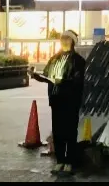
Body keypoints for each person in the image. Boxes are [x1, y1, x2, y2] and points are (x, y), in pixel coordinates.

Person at [31, 30, 86, 176]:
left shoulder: (78, 60)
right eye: (63, 39)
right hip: (56, 100)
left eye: (67, 39)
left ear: (73, 42)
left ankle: (69, 162)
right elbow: (47, 76)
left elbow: (78, 81)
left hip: (70, 101)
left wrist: (63, 82)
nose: (64, 41)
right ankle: (60, 160)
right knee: (58, 132)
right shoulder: (54, 58)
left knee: (70, 132)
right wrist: (36, 76)